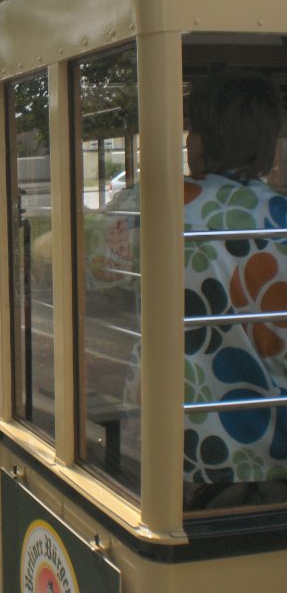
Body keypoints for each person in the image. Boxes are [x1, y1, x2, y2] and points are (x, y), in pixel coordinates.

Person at [179, 70, 287, 508]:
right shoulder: (281, 213)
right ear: (269, 147)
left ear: (199, 142)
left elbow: (63, 259)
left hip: (181, 451)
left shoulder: (155, 205)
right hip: (278, 449)